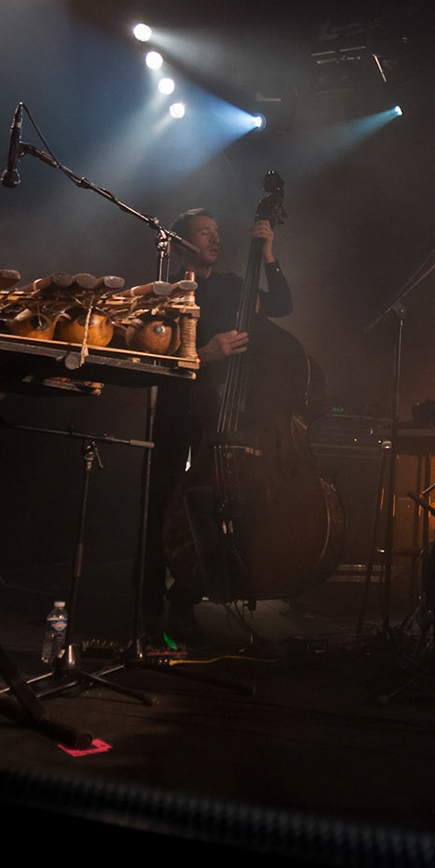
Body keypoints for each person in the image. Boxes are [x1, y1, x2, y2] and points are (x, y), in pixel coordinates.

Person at [149, 207, 293, 640]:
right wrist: (202, 355)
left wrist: (268, 253)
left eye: (217, 232)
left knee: (215, 508)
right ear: (181, 242)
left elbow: (283, 305)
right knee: (165, 510)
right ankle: (150, 606)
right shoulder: (166, 292)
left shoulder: (234, 286)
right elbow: (151, 359)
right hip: (180, 414)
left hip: (227, 418)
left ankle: (185, 599)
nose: (215, 239)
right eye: (204, 233)